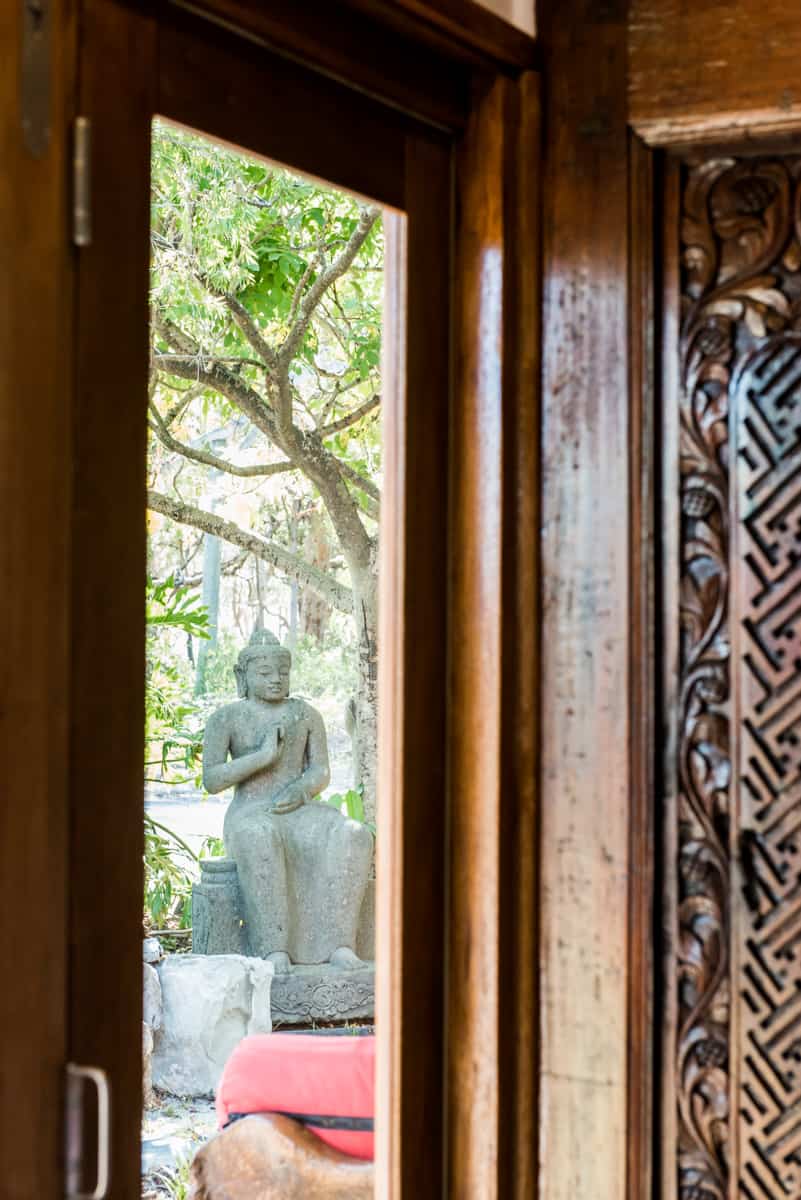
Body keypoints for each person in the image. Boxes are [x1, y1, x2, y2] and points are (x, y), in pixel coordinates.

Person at [203, 630, 373, 973]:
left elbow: (320, 770)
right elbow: (213, 780)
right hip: (251, 812)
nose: (276, 679)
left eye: (282, 672)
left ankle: (340, 944)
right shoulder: (226, 718)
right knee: (258, 837)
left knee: (354, 834)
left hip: (298, 810)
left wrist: (301, 790)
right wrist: (263, 757)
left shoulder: (306, 715)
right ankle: (273, 948)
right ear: (244, 676)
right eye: (265, 674)